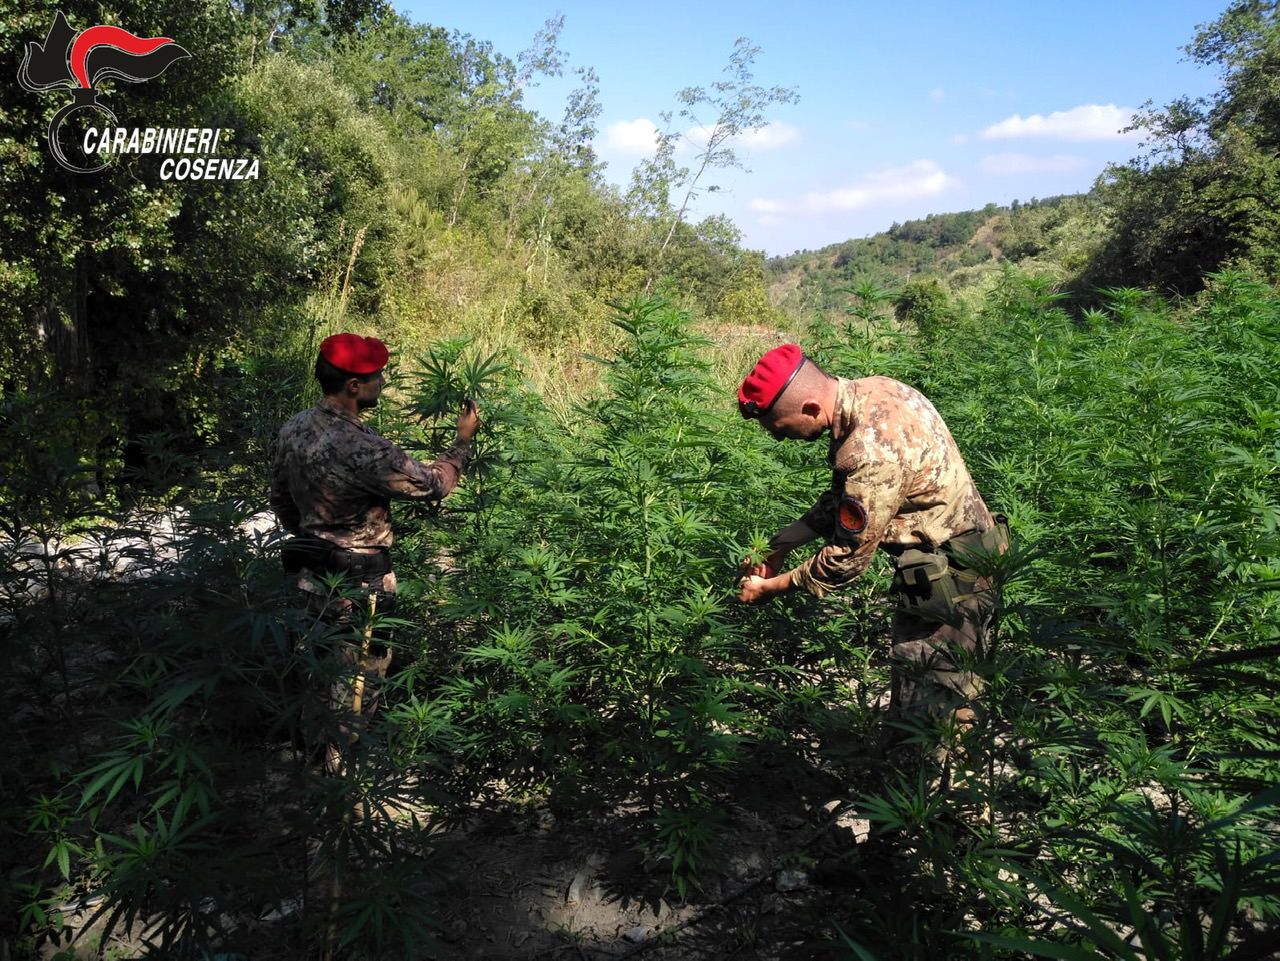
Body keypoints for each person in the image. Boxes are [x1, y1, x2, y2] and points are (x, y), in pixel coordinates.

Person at [734, 344, 1007, 773]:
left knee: (930, 700)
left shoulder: (869, 449)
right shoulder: (876, 391)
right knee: (947, 689)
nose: (777, 437)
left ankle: (933, 798)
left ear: (809, 408)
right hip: (964, 558)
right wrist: (780, 544)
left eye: (779, 428)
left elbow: (846, 558)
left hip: (954, 578)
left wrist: (771, 587)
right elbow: (846, 500)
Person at [270, 332, 480, 768]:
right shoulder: (363, 448)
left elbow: (281, 498)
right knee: (357, 686)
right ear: (353, 386)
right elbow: (433, 485)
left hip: (310, 578)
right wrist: (462, 443)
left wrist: (315, 536)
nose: (382, 381)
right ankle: (341, 781)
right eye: (376, 376)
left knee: (316, 676)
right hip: (359, 585)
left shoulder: (295, 427)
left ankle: (313, 769)